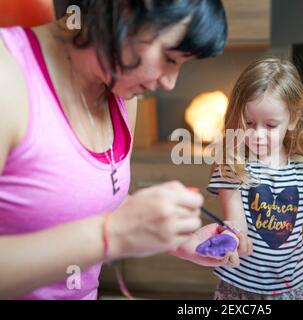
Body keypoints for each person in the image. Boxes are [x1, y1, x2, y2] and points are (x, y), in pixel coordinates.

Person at [0, 0, 247, 300]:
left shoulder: (122, 94)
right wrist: (111, 235)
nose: (170, 83)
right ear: (124, 10)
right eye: (169, 58)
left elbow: (84, 200)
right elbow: (105, 229)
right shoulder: (8, 78)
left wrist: (174, 239)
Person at [206, 57, 303, 300]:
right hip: (242, 286)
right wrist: (236, 238)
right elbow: (235, 219)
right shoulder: (233, 167)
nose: (258, 134)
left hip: (292, 285)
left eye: (270, 125)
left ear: (292, 119)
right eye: (249, 123)